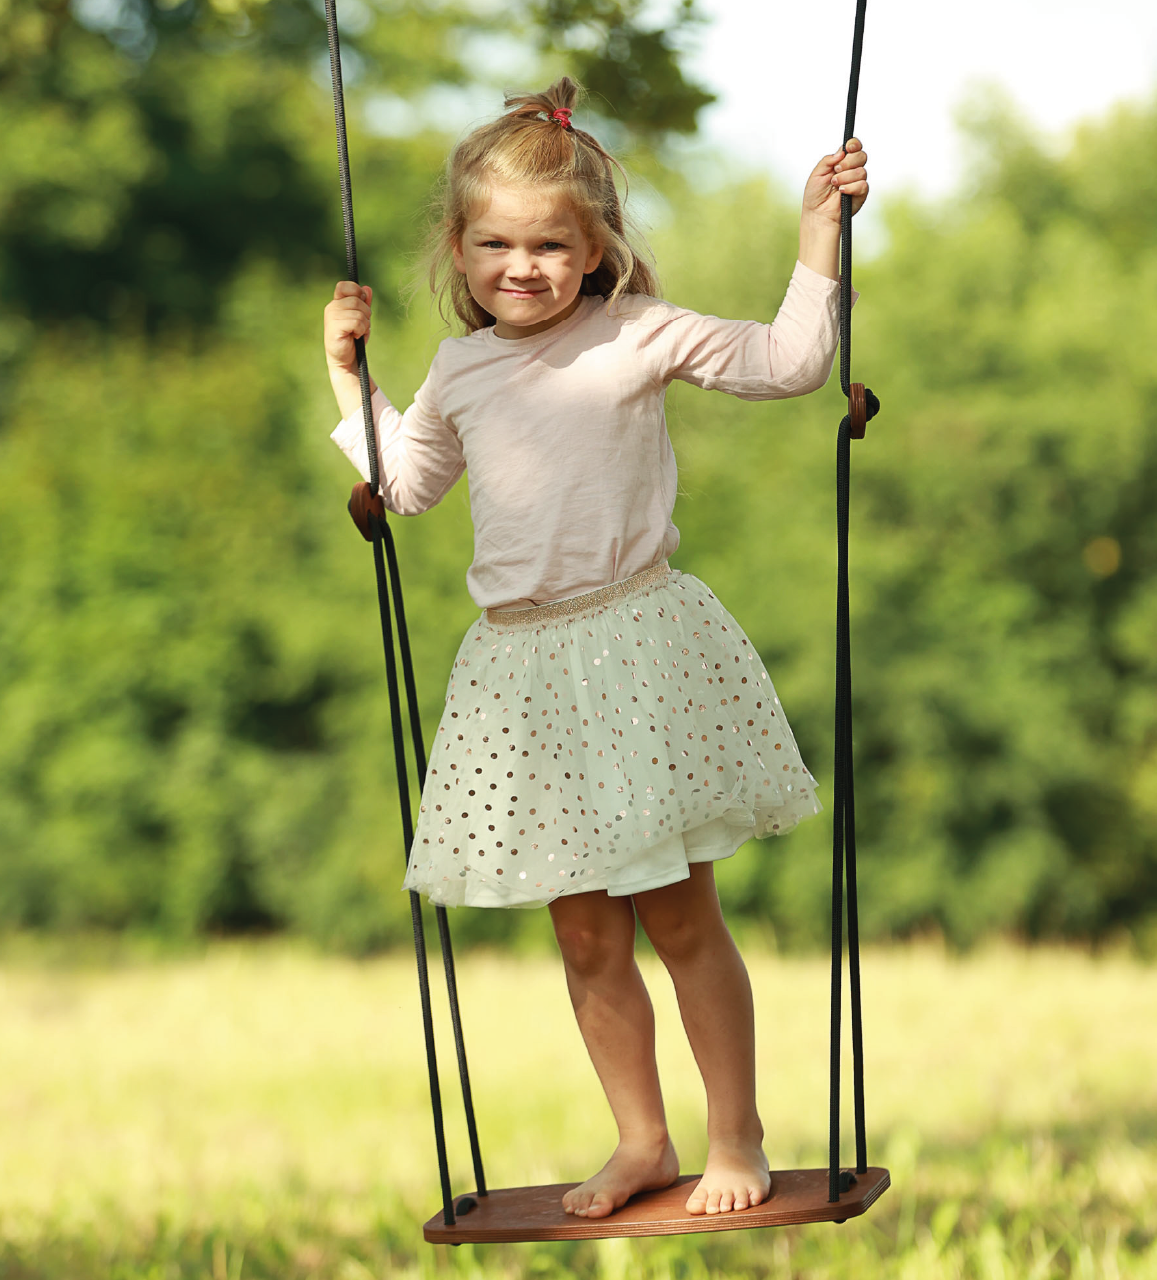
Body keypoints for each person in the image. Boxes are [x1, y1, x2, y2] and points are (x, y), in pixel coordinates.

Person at [322, 77, 868, 1220]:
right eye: (495, 243)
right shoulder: (460, 371)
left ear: (593, 248)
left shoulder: (634, 334)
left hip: (633, 650)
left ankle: (736, 1131)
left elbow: (786, 362)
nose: (520, 266)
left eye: (548, 245)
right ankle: (639, 1138)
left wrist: (818, 233)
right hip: (520, 675)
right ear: (458, 249)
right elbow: (410, 485)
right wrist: (349, 379)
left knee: (677, 915)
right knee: (582, 934)